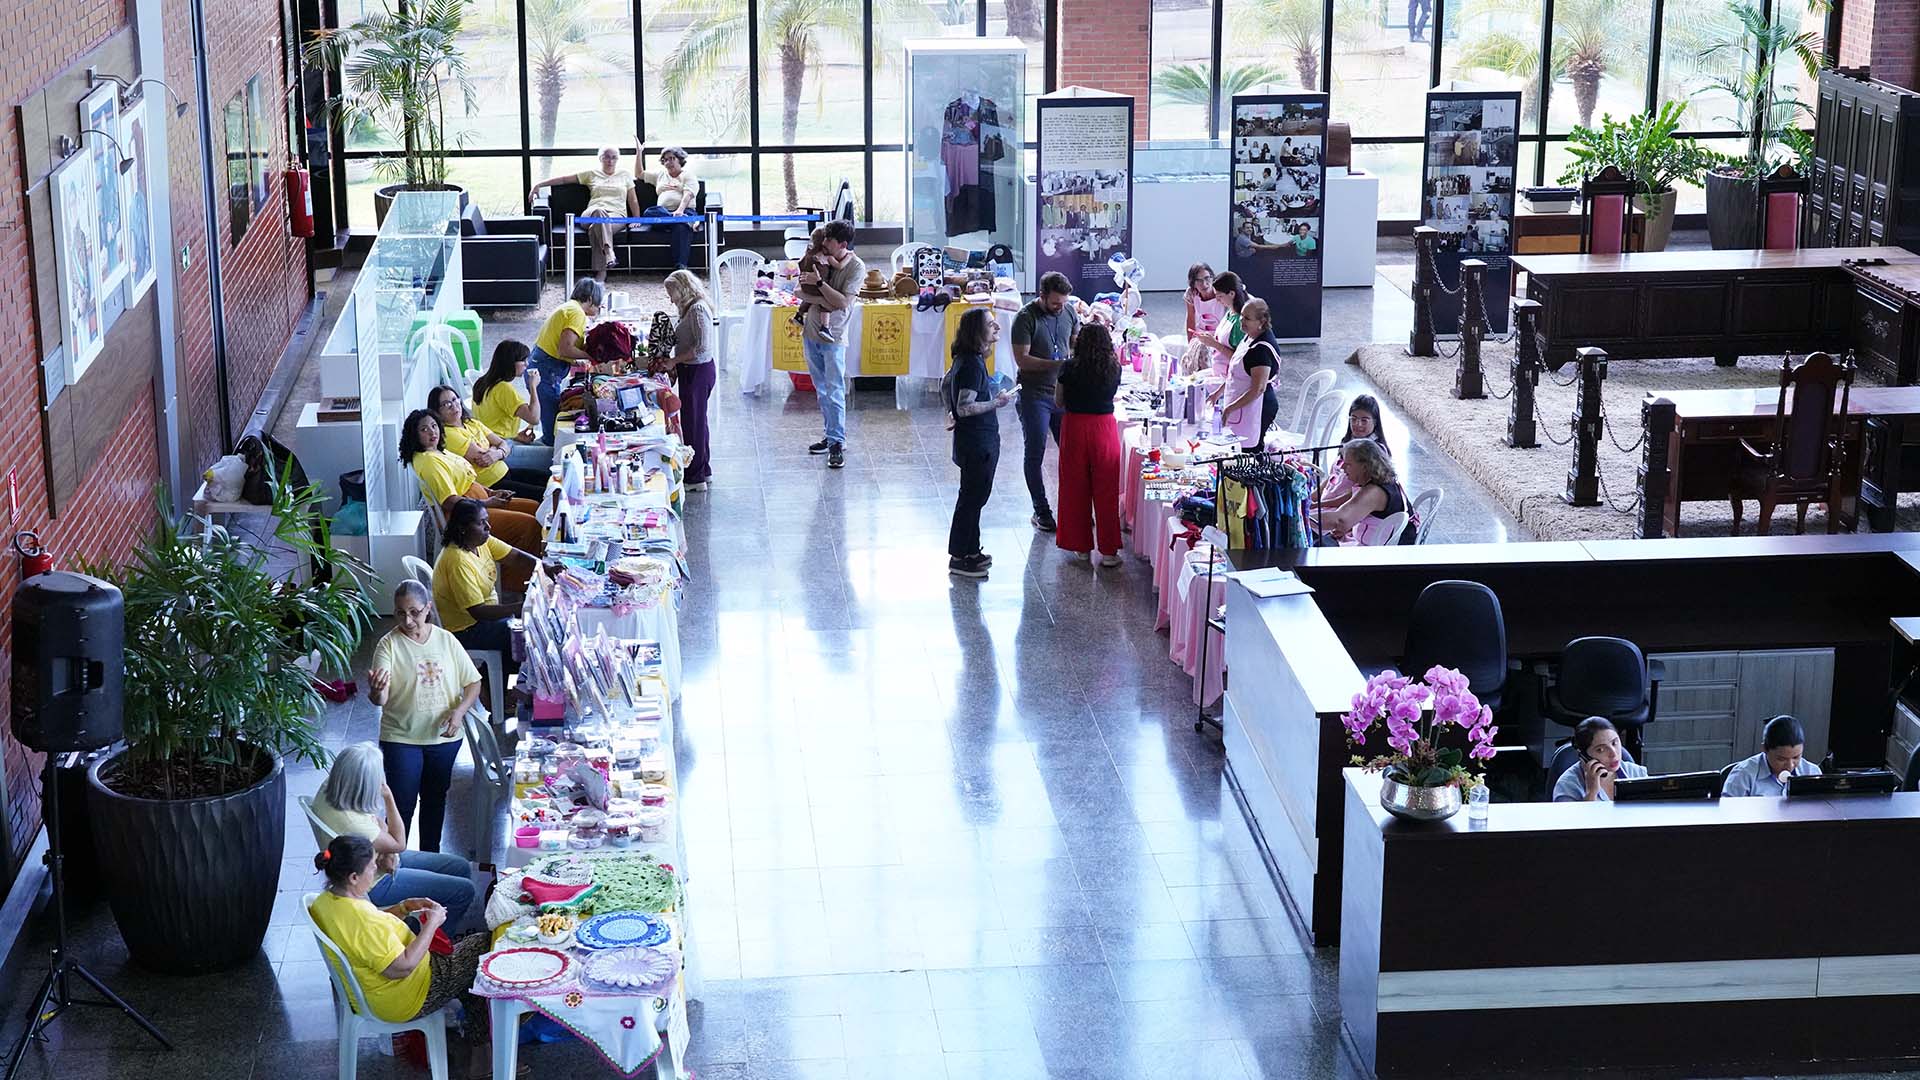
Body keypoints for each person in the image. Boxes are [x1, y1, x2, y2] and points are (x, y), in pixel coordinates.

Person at [307, 835, 498, 1076]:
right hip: (406, 995)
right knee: (484, 949)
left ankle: (481, 1052)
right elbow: (402, 967)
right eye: (372, 866)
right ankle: (484, 1054)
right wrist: (433, 923)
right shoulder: (363, 923)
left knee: (469, 962)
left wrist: (404, 906)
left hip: (381, 990)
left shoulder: (328, 901)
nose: (376, 869)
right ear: (354, 877)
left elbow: (370, 924)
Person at [310, 742, 477, 930]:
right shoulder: (353, 822)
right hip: (376, 881)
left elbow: (380, 827)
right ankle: (433, 943)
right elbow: (399, 843)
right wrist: (388, 797)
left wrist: (386, 852)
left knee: (461, 867)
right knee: (464, 891)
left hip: (375, 859)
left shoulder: (333, 786)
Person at [367, 581, 481, 853]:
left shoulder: (446, 640)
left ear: (428, 609)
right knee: (402, 804)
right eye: (399, 613)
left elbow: (473, 683)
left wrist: (459, 711)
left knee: (434, 800)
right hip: (401, 738)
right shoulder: (388, 645)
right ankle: (394, 862)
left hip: (444, 737)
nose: (407, 620)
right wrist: (377, 692)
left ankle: (431, 857)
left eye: (414, 612)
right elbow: (380, 701)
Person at [399, 410, 545, 591]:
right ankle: (516, 586)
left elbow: (467, 478)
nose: (432, 432)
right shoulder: (429, 461)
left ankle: (531, 574)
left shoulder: (439, 451)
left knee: (534, 508)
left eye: (434, 426)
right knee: (529, 526)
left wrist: (492, 492)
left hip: (479, 502)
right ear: (414, 435)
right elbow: (451, 502)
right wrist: (488, 503)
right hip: (464, 517)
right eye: (424, 429)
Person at [945, 308, 1015, 579]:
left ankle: (971, 550)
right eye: (990, 324)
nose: (996, 326)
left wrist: (948, 410)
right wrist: (996, 403)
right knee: (972, 499)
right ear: (977, 331)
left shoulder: (968, 358)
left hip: (974, 440)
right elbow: (965, 407)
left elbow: (946, 383)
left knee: (973, 498)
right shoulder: (973, 364)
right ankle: (960, 556)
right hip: (977, 442)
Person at [1011, 272, 1080, 533]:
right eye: (1055, 303)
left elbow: (1074, 341)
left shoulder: (1069, 312)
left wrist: (1078, 351)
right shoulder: (1025, 318)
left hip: (1061, 393)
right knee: (1035, 452)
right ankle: (1041, 509)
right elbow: (1023, 360)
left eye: (1063, 302)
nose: (1060, 307)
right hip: (1034, 394)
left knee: (1072, 452)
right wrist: (1059, 364)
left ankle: (1073, 506)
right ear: (1041, 296)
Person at [434, 497, 538, 665]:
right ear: (463, 528)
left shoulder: (480, 542)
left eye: (487, 521)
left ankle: (505, 677)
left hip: (484, 621)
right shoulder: (457, 561)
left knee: (524, 628)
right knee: (527, 632)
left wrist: (545, 567)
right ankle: (499, 684)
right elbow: (478, 612)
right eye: (481, 523)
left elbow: (517, 557)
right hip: (466, 630)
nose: (488, 527)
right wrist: (521, 608)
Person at [1055, 323, 1125, 567]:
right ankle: (1108, 552)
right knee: (1106, 491)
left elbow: (1059, 400)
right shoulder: (1114, 367)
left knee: (1074, 488)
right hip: (1104, 427)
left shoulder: (1068, 367)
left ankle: (1081, 547)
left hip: (1074, 427)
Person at [798, 220, 862, 470]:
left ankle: (837, 443)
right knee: (821, 389)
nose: (824, 243)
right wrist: (822, 296)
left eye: (829, 240)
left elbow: (843, 303)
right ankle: (830, 434)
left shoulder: (856, 267)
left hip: (833, 336)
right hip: (811, 332)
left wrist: (819, 285)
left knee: (834, 389)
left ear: (842, 244)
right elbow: (799, 293)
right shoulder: (818, 257)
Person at [531, 145, 639, 283]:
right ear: (600, 158)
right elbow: (564, 179)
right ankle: (608, 251)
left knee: (597, 227)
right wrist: (539, 184)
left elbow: (633, 199)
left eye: (614, 157)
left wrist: (637, 218)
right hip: (591, 213)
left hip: (617, 217)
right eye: (606, 157)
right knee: (599, 212)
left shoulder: (625, 175)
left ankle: (601, 273)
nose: (610, 161)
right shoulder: (591, 174)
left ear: (617, 159)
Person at [430, 385, 548, 499]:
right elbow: (484, 459)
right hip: (492, 486)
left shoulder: (471, 423)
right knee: (546, 494)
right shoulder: (448, 434)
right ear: (437, 412)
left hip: (505, 471)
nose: (454, 406)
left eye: (455, 399)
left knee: (551, 480)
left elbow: (503, 444)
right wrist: (497, 449)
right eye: (446, 404)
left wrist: (496, 452)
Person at [529, 280, 606, 444]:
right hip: (546, 370)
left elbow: (560, 346)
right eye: (599, 305)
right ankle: (547, 463)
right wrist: (590, 357)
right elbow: (564, 348)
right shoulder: (577, 313)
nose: (599, 309)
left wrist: (575, 360)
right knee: (552, 428)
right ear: (591, 299)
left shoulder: (569, 307)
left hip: (542, 363)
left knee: (551, 417)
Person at [661, 269, 717, 491]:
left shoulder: (697, 309)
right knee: (697, 421)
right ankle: (703, 469)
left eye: (671, 292)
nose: (670, 298)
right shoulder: (688, 309)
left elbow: (702, 347)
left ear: (682, 289)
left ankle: (695, 477)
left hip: (698, 371)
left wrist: (674, 360)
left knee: (693, 424)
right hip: (691, 370)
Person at [1318, 438, 1418, 546]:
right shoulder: (1382, 480)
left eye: (1348, 464)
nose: (1342, 467)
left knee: (1318, 545)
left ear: (1365, 466)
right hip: (1377, 542)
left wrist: (1302, 517)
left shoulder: (1374, 492)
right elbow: (1348, 515)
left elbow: (1340, 520)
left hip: (1386, 554)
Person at [1220, 297, 1282, 452]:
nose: (1241, 320)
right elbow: (1235, 374)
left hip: (1258, 407)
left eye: (1247, 318)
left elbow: (1258, 389)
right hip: (1241, 406)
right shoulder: (1250, 336)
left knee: (1249, 452)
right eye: (1242, 315)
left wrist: (1229, 409)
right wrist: (1217, 393)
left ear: (1261, 321)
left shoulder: (1261, 349)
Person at [471, 340, 545, 455]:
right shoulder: (503, 388)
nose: (527, 364)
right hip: (501, 447)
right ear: (511, 362)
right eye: (523, 360)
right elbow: (534, 418)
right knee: (552, 455)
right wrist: (533, 387)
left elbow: (492, 423)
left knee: (543, 447)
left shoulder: (482, 382)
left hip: (487, 441)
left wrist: (515, 436)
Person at [1318, 395, 1390, 513]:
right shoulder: (1348, 443)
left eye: (1364, 420)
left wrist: (1317, 505)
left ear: (1375, 422)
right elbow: (1332, 478)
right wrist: (1310, 499)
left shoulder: (1376, 452)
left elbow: (1356, 496)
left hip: (1345, 512)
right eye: (1354, 419)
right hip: (1326, 504)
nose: (1358, 424)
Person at [1721, 715, 1822, 797]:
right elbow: (1728, 817)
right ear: (1765, 749)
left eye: (1796, 757)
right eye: (1781, 759)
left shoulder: (1812, 773)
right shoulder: (1743, 775)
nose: (1790, 766)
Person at [1553, 717, 1649, 801]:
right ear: (1584, 755)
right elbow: (1573, 822)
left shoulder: (1637, 774)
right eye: (1600, 750)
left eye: (1614, 743)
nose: (1613, 754)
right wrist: (1591, 793)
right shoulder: (1567, 786)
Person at [638, 145, 699, 270]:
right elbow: (639, 174)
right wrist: (639, 152)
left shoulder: (688, 175)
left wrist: (680, 211)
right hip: (664, 213)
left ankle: (680, 268)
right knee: (649, 212)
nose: (668, 162)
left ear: (679, 160)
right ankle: (679, 219)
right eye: (665, 160)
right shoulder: (660, 175)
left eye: (672, 158)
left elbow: (688, 194)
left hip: (685, 210)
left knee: (681, 226)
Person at [1184, 263, 1228, 340]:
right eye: (1198, 280)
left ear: (1212, 278)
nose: (1204, 284)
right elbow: (1190, 321)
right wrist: (1191, 344)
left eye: (1207, 278)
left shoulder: (1222, 293)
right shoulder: (1192, 295)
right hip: (1201, 337)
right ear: (1193, 283)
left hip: (1222, 337)